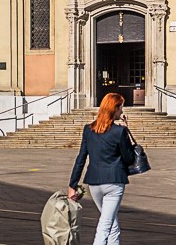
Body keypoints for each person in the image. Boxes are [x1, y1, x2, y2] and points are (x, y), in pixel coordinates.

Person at [68, 93, 136, 245]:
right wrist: (126, 135)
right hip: (114, 182)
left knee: (112, 223)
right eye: (120, 108)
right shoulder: (119, 132)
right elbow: (129, 158)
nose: (121, 112)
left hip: (94, 183)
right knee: (105, 225)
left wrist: (72, 184)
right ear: (114, 109)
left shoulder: (88, 130)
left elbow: (81, 158)